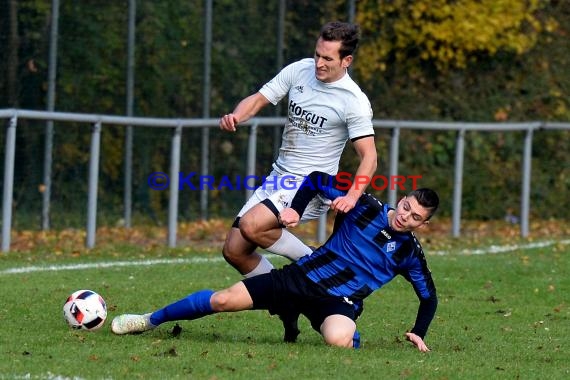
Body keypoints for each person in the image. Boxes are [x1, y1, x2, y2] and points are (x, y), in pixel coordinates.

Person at [111, 172, 439, 351]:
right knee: (223, 300)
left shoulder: (410, 254)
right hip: (299, 278)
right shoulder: (364, 205)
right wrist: (295, 208)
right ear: (403, 198)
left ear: (423, 225)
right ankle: (148, 320)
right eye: (407, 207)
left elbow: (429, 296)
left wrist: (419, 331)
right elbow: (314, 179)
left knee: (338, 340)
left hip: (338, 300)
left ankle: (350, 330)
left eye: (415, 217)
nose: (406, 217)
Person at [218, 21, 377, 278]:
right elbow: (260, 98)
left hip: (311, 186)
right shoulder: (299, 70)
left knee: (252, 225)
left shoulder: (353, 101)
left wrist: (352, 196)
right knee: (234, 251)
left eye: (327, 58)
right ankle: (281, 299)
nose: (319, 63)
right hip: (279, 178)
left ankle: (317, 263)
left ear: (346, 60)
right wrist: (236, 116)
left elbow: (369, 157)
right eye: (317, 54)